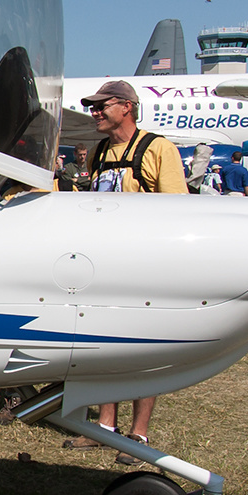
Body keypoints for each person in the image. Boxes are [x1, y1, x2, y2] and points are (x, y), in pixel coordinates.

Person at [71, 80, 185, 462]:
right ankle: (104, 428)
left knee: (143, 353)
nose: (95, 113)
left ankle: (139, 435)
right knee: (104, 347)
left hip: (145, 267)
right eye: (93, 107)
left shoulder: (158, 148)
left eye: (102, 106)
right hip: (104, 266)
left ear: (127, 107)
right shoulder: (99, 153)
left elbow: (176, 210)